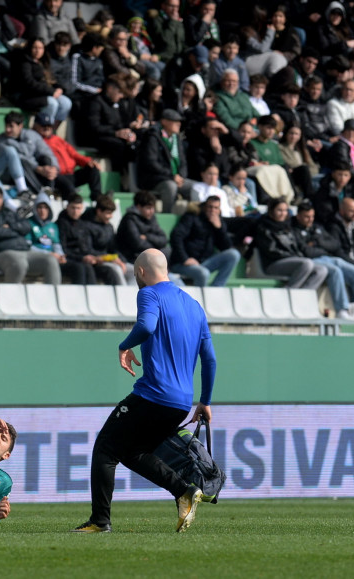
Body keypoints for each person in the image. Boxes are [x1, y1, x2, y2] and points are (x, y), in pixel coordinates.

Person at [73, 248, 214, 534]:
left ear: (139, 272)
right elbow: (209, 358)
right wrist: (206, 401)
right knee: (133, 451)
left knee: (105, 449)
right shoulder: (194, 305)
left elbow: (146, 325)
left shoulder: (148, 293)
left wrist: (124, 345)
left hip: (153, 394)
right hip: (181, 403)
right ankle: (183, 491)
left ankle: (100, 521)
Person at [293, 201, 354, 321]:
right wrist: (322, 246)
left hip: (329, 258)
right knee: (335, 271)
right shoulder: (294, 229)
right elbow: (307, 252)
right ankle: (342, 309)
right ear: (298, 216)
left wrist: (317, 243)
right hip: (311, 261)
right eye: (306, 216)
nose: (310, 219)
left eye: (312, 216)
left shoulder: (317, 227)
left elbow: (335, 245)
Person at [0, 185, 61, 284]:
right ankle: (11, 297)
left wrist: (9, 226)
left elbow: (26, 227)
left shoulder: (8, 213)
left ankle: (54, 297)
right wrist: (15, 230)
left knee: (50, 260)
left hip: (23, 250)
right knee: (19, 263)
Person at [256, 199, 329, 289]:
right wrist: (293, 256)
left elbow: (296, 246)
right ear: (271, 211)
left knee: (321, 270)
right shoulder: (264, 228)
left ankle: (302, 297)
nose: (283, 213)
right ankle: (289, 292)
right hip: (273, 263)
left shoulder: (288, 228)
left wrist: (297, 256)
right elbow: (272, 251)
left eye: (285, 210)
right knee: (306, 263)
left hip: (292, 260)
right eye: (279, 210)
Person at [169, 196, 241, 287]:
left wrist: (219, 229)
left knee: (234, 254)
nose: (212, 210)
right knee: (203, 273)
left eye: (216, 208)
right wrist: (185, 259)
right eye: (210, 207)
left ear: (219, 210)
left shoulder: (218, 222)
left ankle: (216, 290)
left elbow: (226, 247)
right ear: (204, 207)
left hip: (203, 263)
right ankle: (198, 300)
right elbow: (176, 236)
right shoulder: (192, 217)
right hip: (182, 264)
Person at [137, 109, 196, 213]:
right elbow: (151, 162)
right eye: (175, 121)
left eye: (179, 121)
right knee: (170, 187)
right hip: (155, 178)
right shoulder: (153, 137)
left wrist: (181, 176)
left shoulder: (176, 138)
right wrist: (171, 176)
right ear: (164, 122)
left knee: (197, 187)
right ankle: (167, 215)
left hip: (176, 178)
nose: (179, 124)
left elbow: (183, 161)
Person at [32, 114, 102, 201]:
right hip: (55, 175)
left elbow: (74, 154)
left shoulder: (57, 139)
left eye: (49, 126)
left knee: (93, 169)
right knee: (69, 188)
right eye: (43, 126)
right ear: (36, 126)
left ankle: (97, 199)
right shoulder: (34, 140)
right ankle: (72, 206)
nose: (47, 128)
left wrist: (88, 161)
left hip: (70, 174)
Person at [117, 191, 171, 264]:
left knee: (168, 251)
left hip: (149, 254)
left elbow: (164, 239)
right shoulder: (129, 219)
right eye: (148, 208)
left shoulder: (151, 218)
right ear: (138, 207)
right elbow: (138, 244)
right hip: (132, 258)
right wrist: (156, 249)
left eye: (153, 208)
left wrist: (147, 237)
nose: (152, 211)